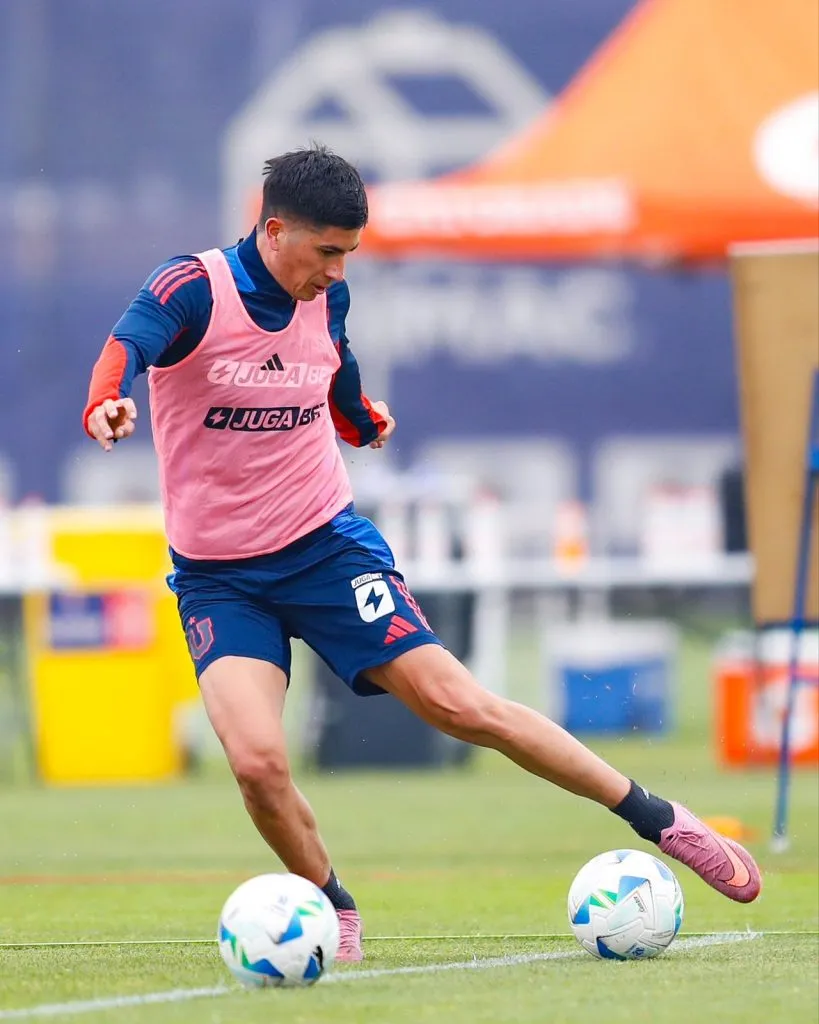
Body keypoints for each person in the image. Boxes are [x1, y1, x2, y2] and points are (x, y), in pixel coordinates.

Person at [83, 145, 760, 963]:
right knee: (258, 763)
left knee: (461, 707)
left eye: (348, 255)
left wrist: (359, 417)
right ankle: (334, 909)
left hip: (326, 549)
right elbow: (125, 348)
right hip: (221, 580)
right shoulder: (192, 288)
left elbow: (332, 372)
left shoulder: (324, 299)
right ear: (272, 229)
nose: (336, 271)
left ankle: (657, 817)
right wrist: (107, 403)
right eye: (326, 250)